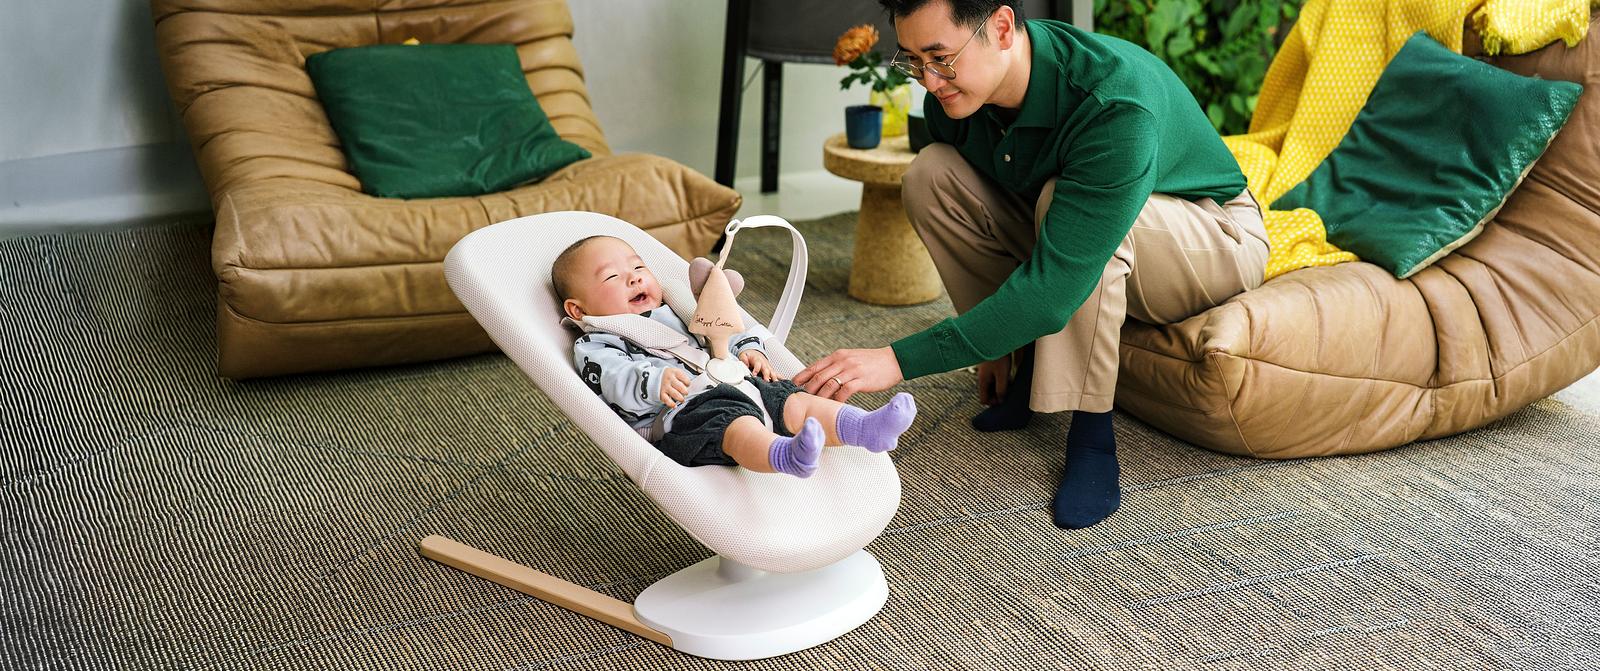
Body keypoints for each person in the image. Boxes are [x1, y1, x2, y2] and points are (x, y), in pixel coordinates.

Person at [796, 0, 1270, 527]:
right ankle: (1018, 365)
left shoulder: (1113, 104)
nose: (929, 81)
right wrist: (994, 342)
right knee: (930, 174)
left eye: (940, 58)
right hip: (1096, 216)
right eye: (912, 60)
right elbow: (987, 211)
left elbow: (1054, 286)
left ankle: (1092, 434)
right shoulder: (952, 100)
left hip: (1217, 236)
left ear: (1000, 28)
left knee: (1067, 206)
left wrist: (895, 360)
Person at [554, 235, 918, 477]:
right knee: (734, 424)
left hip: (742, 382)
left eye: (638, 268)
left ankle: (865, 427)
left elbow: (730, 324)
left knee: (793, 400)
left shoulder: (680, 304)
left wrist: (749, 349)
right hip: (684, 414)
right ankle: (785, 456)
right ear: (578, 308)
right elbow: (612, 378)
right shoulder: (598, 342)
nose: (634, 279)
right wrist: (653, 380)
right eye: (613, 277)